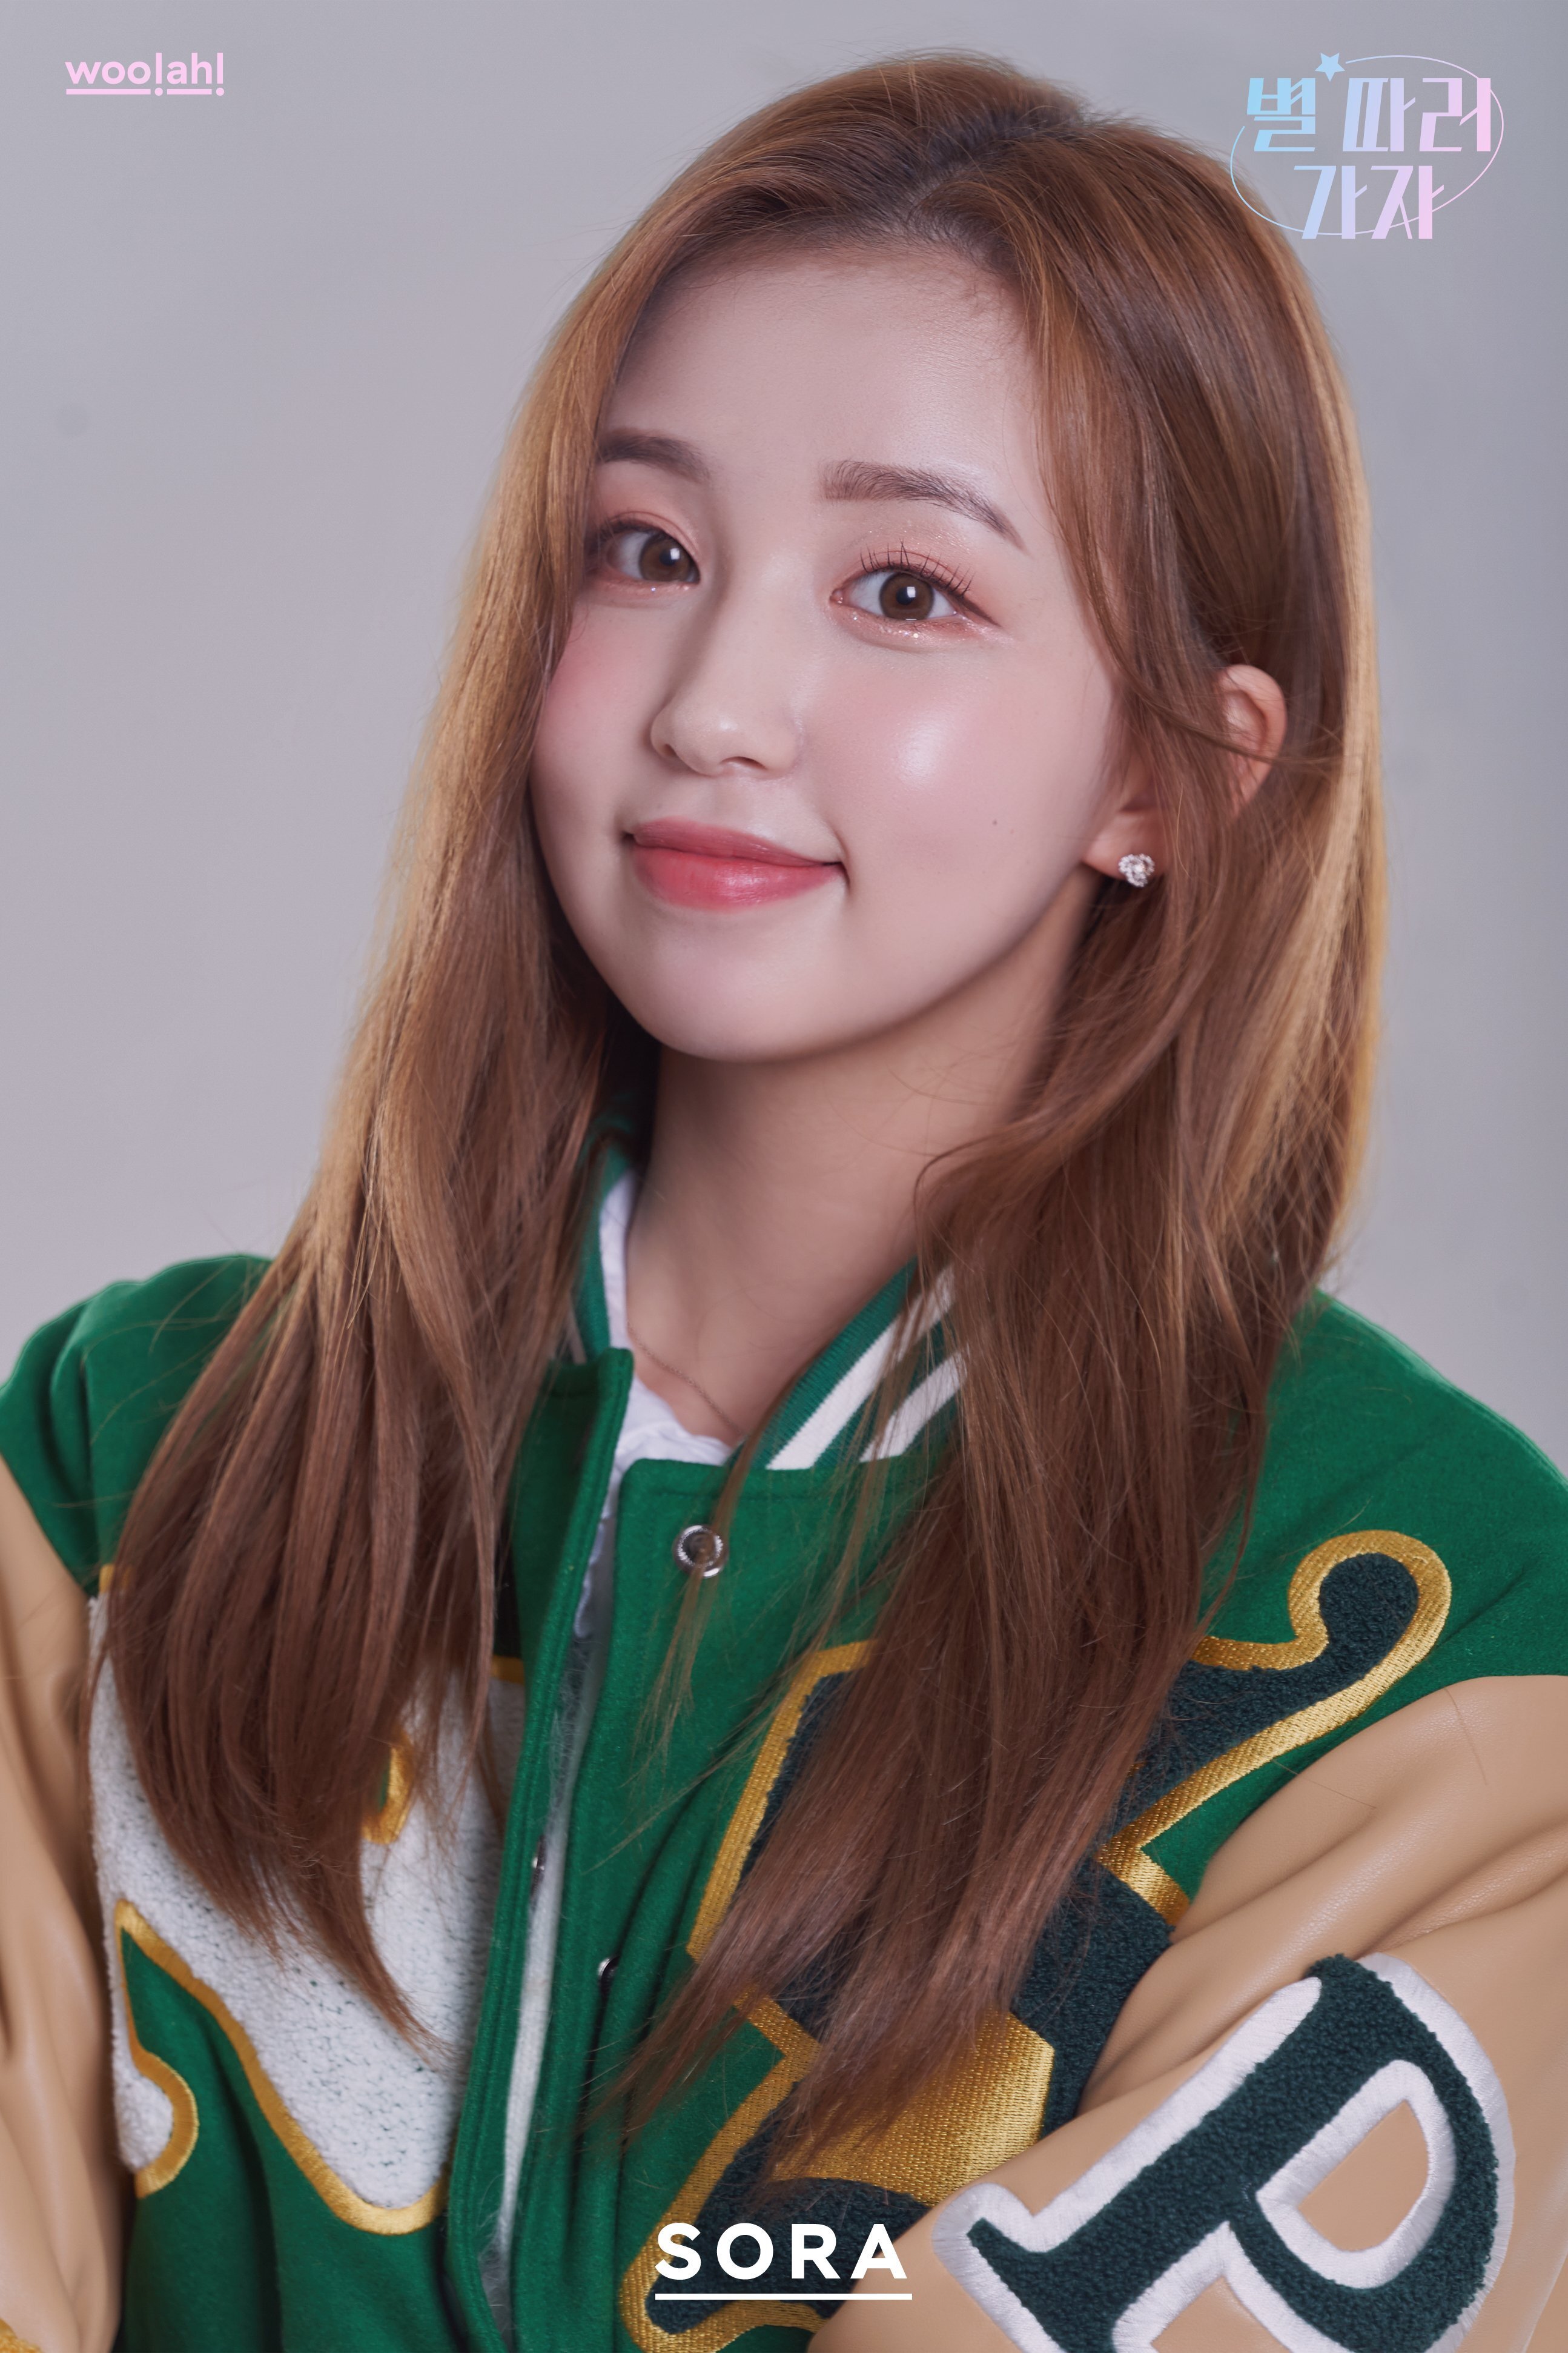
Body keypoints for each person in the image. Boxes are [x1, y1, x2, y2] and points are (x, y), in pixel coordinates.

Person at [1, 53, 1564, 2353]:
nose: (717, 701)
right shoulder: (124, 1466)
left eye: (906, 588)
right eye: (645, 550)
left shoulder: (1441, 1629)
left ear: (1170, 776)